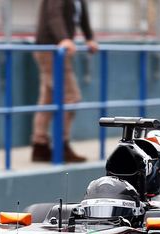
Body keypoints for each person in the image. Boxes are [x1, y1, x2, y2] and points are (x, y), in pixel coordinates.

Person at [32, 0, 99, 163]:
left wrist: (89, 37)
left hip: (58, 49)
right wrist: (63, 38)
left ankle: (39, 146)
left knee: (48, 99)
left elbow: (82, 15)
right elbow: (54, 15)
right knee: (71, 97)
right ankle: (61, 145)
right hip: (52, 49)